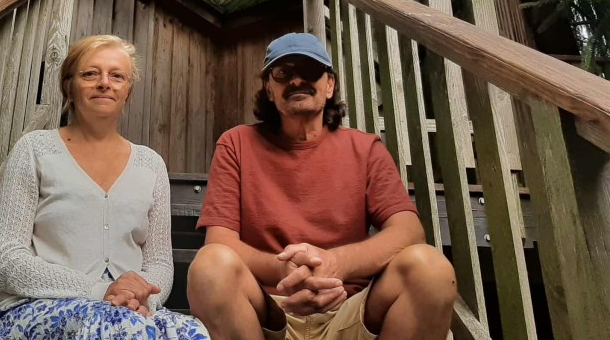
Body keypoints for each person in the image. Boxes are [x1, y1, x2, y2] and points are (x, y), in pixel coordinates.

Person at [188, 33, 457, 340]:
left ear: (329, 85)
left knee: (430, 268)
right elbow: (220, 242)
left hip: (350, 311)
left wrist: (335, 264)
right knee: (209, 266)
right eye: (283, 73)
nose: (296, 80)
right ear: (269, 89)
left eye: (310, 71)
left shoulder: (365, 148)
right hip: (269, 314)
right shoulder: (236, 144)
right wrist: (285, 272)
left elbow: (408, 231)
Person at [0, 34, 209, 339]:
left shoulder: (150, 164)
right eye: (90, 74)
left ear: (128, 90)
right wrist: (99, 290)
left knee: (190, 332)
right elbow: (5, 258)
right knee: (112, 327)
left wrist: (143, 298)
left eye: (117, 76)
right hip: (38, 306)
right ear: (69, 86)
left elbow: (158, 263)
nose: (105, 83)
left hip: (132, 313)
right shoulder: (35, 149)